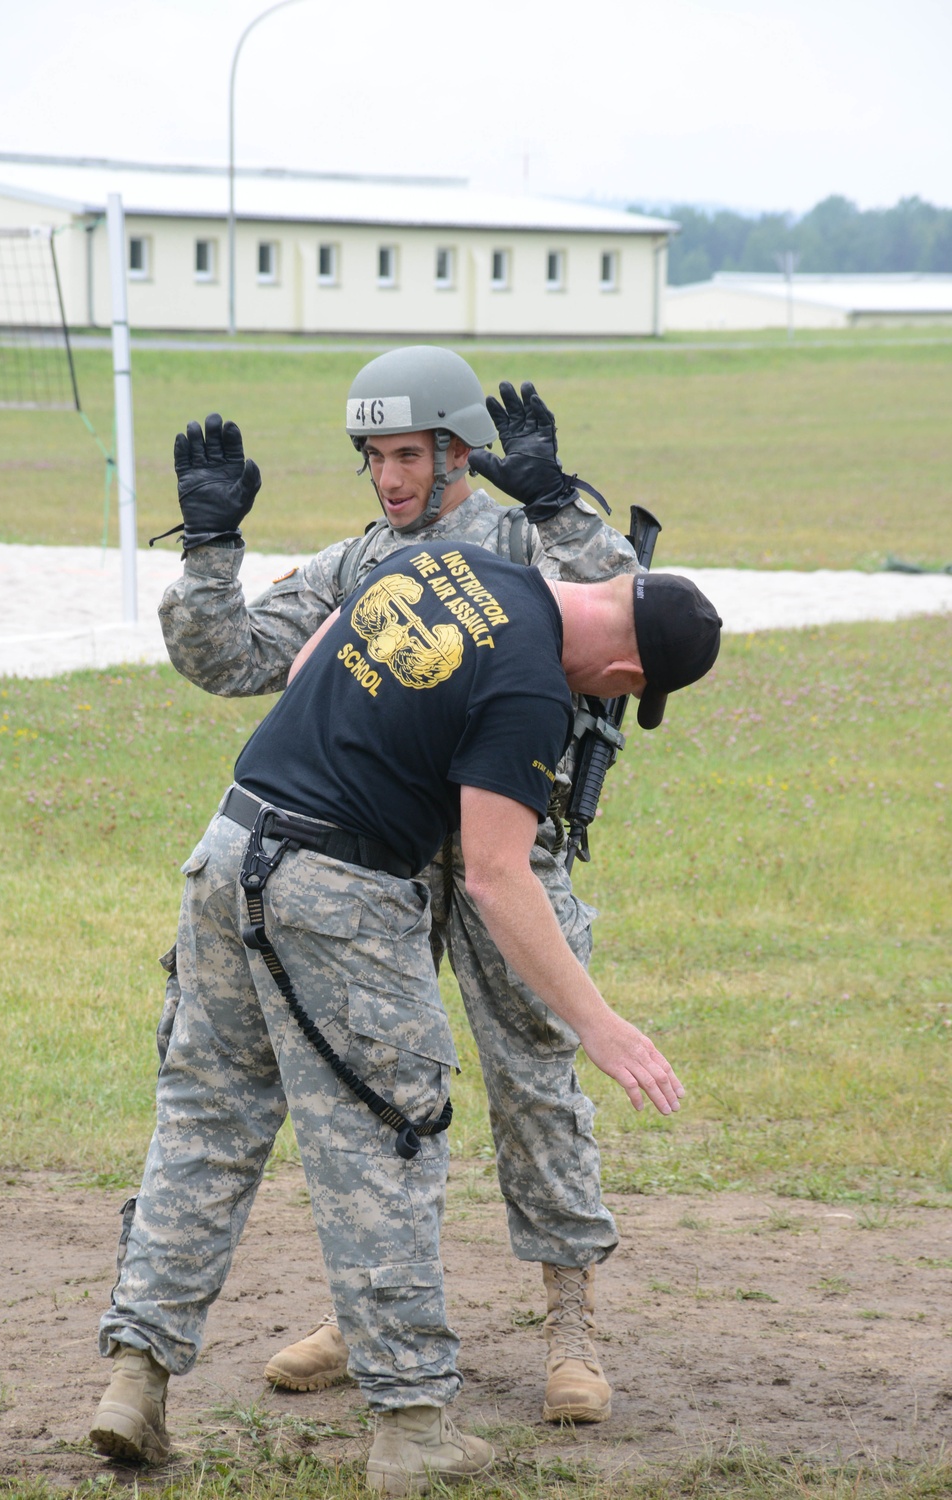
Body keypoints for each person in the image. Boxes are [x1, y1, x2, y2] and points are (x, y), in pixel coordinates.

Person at [90, 461, 722, 1492]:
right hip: (338, 890)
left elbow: (304, 678)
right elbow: (493, 874)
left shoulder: (436, 566)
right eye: (623, 693)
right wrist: (602, 1028)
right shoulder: (532, 689)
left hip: (228, 848)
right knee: (387, 1143)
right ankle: (413, 1421)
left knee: (204, 1128)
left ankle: (134, 1381)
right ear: (626, 674)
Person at [155, 347, 658, 1424]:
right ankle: (372, 1311)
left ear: (456, 451)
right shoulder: (357, 561)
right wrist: (210, 549)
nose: (389, 477)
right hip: (364, 861)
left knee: (534, 1076)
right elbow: (227, 658)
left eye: (408, 454)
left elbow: (639, 609)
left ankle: (570, 1323)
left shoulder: (525, 533)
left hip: (505, 851)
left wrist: (561, 500)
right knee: (369, 1091)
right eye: (374, 457)